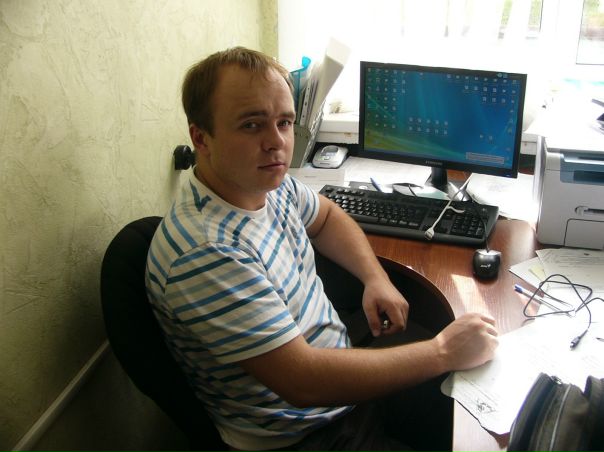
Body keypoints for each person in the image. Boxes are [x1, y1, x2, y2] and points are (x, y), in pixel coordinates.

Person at [145, 46, 499, 452]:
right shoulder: (206, 251)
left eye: (284, 122)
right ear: (201, 138)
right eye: (251, 125)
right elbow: (304, 381)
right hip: (308, 433)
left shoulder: (264, 184)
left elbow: (327, 217)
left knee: (480, 408)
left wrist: (375, 278)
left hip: (340, 378)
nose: (277, 143)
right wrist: (442, 352)